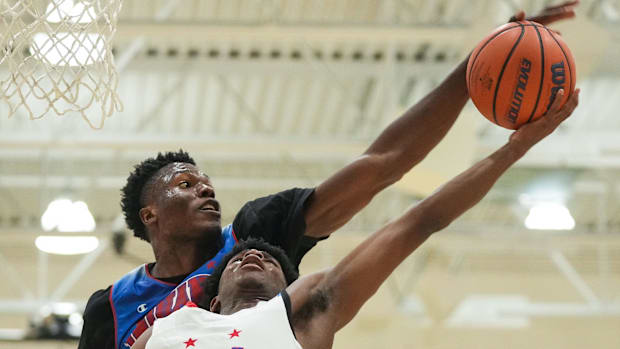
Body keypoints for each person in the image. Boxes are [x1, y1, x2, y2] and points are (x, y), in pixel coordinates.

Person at [78, 2, 579, 348]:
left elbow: (386, 166)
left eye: (205, 180)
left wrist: (478, 73)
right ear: (149, 215)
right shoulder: (117, 310)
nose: (206, 186)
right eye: (186, 184)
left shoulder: (256, 237)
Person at [134, 88, 581, 349]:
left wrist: (513, 150)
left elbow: (420, 221)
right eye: (239, 259)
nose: (252, 257)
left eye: (270, 261)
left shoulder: (305, 314)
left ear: (290, 291)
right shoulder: (165, 331)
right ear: (211, 301)